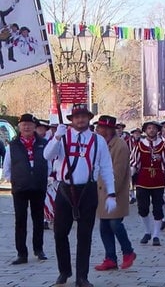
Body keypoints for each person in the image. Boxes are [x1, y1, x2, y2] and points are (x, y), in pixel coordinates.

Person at [43, 104, 116, 287]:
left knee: (85, 236)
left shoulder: (98, 141)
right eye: (76, 117)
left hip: (88, 190)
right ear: (71, 120)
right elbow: (47, 156)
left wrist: (111, 193)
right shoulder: (61, 137)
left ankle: (82, 277)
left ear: (89, 118)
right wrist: (57, 138)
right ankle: (64, 271)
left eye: (83, 116)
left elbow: (106, 167)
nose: (80, 120)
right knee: (60, 233)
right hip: (65, 190)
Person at [2, 113, 48, 264]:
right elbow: (7, 166)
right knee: (20, 220)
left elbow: (50, 162)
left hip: (38, 186)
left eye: (29, 125)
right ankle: (22, 253)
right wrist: (12, 180)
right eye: (23, 125)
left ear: (35, 126)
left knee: (38, 219)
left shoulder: (43, 143)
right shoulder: (13, 145)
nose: (27, 127)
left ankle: (38, 249)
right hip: (20, 187)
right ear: (19, 127)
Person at [94, 115, 136, 271]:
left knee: (115, 223)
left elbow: (118, 172)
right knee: (104, 225)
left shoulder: (120, 146)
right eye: (98, 127)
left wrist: (112, 191)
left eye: (101, 128)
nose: (98, 130)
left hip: (113, 191)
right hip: (100, 190)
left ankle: (128, 251)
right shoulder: (101, 143)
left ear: (109, 129)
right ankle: (110, 257)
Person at [130, 121, 165, 246]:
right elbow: (134, 161)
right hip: (143, 179)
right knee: (143, 208)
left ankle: (156, 235)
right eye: (149, 128)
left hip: (158, 180)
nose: (151, 130)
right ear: (145, 130)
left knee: (157, 207)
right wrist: (130, 174)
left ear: (157, 130)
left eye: (154, 128)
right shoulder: (139, 145)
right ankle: (147, 231)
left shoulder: (163, 144)